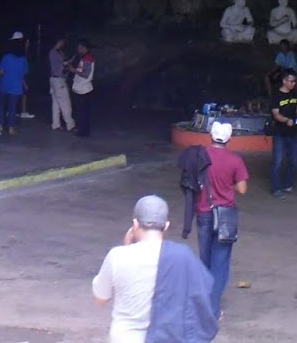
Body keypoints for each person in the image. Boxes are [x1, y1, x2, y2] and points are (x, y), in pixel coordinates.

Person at [92, 195, 217, 343]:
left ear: (135, 224)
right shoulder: (182, 256)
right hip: (168, 338)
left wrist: (127, 247)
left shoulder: (117, 256)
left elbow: (100, 298)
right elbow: (204, 294)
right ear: (166, 226)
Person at [196, 121, 248, 321]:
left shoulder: (201, 157)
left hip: (203, 213)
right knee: (220, 263)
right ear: (229, 139)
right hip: (224, 216)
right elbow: (242, 189)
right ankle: (213, 310)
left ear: (210, 136)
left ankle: (203, 305)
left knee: (205, 261)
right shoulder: (235, 161)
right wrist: (228, 185)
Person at [268, 70, 297, 198]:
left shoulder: (295, 94)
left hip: (293, 133)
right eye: (291, 81)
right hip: (279, 133)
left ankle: (288, 185)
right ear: (284, 81)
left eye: (294, 81)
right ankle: (276, 188)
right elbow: (276, 114)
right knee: (278, 161)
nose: (293, 83)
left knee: (294, 160)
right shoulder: (276, 95)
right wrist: (286, 120)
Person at [0, 32, 29, 132]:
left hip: (4, 85)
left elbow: (1, 72)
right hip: (16, 87)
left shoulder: (6, 57)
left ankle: (0, 126)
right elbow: (23, 73)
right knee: (12, 108)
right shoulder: (23, 59)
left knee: (1, 107)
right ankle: (11, 128)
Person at [50, 36, 76, 131]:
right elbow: (64, 64)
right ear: (59, 42)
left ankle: (56, 124)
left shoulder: (55, 52)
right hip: (59, 80)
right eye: (62, 42)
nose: (63, 44)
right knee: (65, 103)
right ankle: (70, 125)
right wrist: (71, 61)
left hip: (54, 80)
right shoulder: (55, 53)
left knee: (56, 103)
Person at [71, 39, 96, 137]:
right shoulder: (86, 57)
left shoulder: (88, 58)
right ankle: (83, 131)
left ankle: (83, 132)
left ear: (84, 48)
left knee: (82, 112)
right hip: (83, 88)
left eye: (79, 48)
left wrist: (74, 70)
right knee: (83, 112)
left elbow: (85, 74)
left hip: (84, 89)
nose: (78, 50)